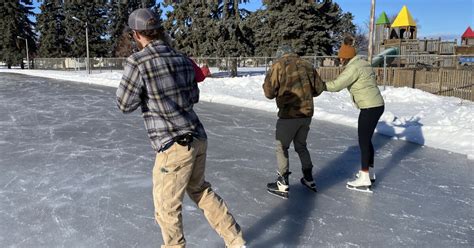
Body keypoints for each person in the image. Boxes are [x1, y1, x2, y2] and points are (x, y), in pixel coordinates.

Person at [116, 8, 246, 248]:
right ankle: (236, 241)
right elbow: (193, 96)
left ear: (136, 35)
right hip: (197, 138)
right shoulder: (182, 58)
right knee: (201, 191)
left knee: (166, 208)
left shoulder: (138, 62)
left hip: (173, 146)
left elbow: (124, 104)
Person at [262, 45, 325, 199]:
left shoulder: (278, 65)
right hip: (306, 114)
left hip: (289, 115)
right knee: (301, 146)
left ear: (280, 55)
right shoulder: (308, 65)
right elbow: (319, 88)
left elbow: (269, 92)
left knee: (281, 146)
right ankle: (309, 178)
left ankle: (282, 183)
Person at [323, 36, 385, 193]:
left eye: (341, 58)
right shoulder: (364, 63)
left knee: (363, 141)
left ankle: (364, 178)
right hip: (377, 105)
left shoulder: (353, 68)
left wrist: (319, 86)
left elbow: (336, 85)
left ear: (345, 57)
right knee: (367, 140)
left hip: (369, 107)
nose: (340, 60)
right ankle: (368, 172)